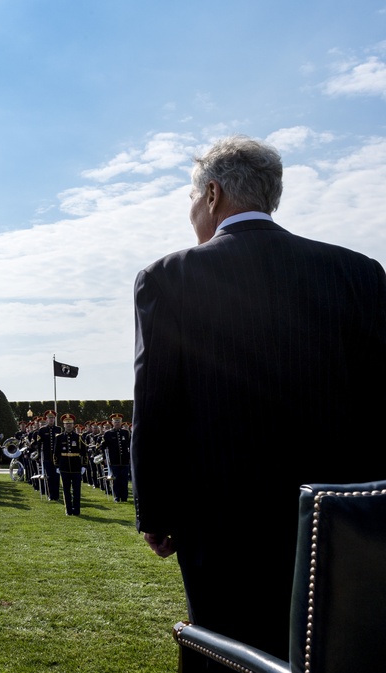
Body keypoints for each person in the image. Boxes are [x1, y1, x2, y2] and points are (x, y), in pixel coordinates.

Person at [132, 135, 386, 670]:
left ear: (213, 195)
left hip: (221, 519)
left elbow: (157, 404)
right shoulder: (359, 273)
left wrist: (155, 511)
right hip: (337, 515)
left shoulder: (170, 278)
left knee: (228, 652)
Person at [52, 413, 87, 515]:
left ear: (73, 425)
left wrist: (84, 465)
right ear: (63, 425)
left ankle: (76, 510)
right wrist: (57, 465)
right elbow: (56, 453)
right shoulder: (59, 437)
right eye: (66, 424)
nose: (68, 425)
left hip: (76, 466)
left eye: (70, 424)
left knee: (76, 490)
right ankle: (68, 510)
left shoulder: (79, 437)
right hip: (64, 467)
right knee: (66, 490)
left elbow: (84, 453)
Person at [102, 413, 131, 502]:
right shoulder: (108, 434)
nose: (117, 423)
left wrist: (130, 458)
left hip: (125, 460)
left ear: (121, 422)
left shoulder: (125, 433)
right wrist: (104, 458)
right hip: (114, 461)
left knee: (124, 480)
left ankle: (124, 497)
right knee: (116, 480)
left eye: (118, 421)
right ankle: (117, 496)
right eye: (115, 422)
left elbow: (129, 445)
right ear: (112, 422)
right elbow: (103, 447)